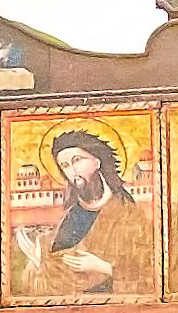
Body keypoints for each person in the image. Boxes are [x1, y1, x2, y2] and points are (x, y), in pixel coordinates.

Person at [9, 126, 148, 302]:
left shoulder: (125, 211)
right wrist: (38, 256)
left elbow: (146, 271)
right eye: (65, 166)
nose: (72, 172)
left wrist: (103, 267)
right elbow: (57, 259)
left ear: (97, 162)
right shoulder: (72, 212)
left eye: (77, 160)